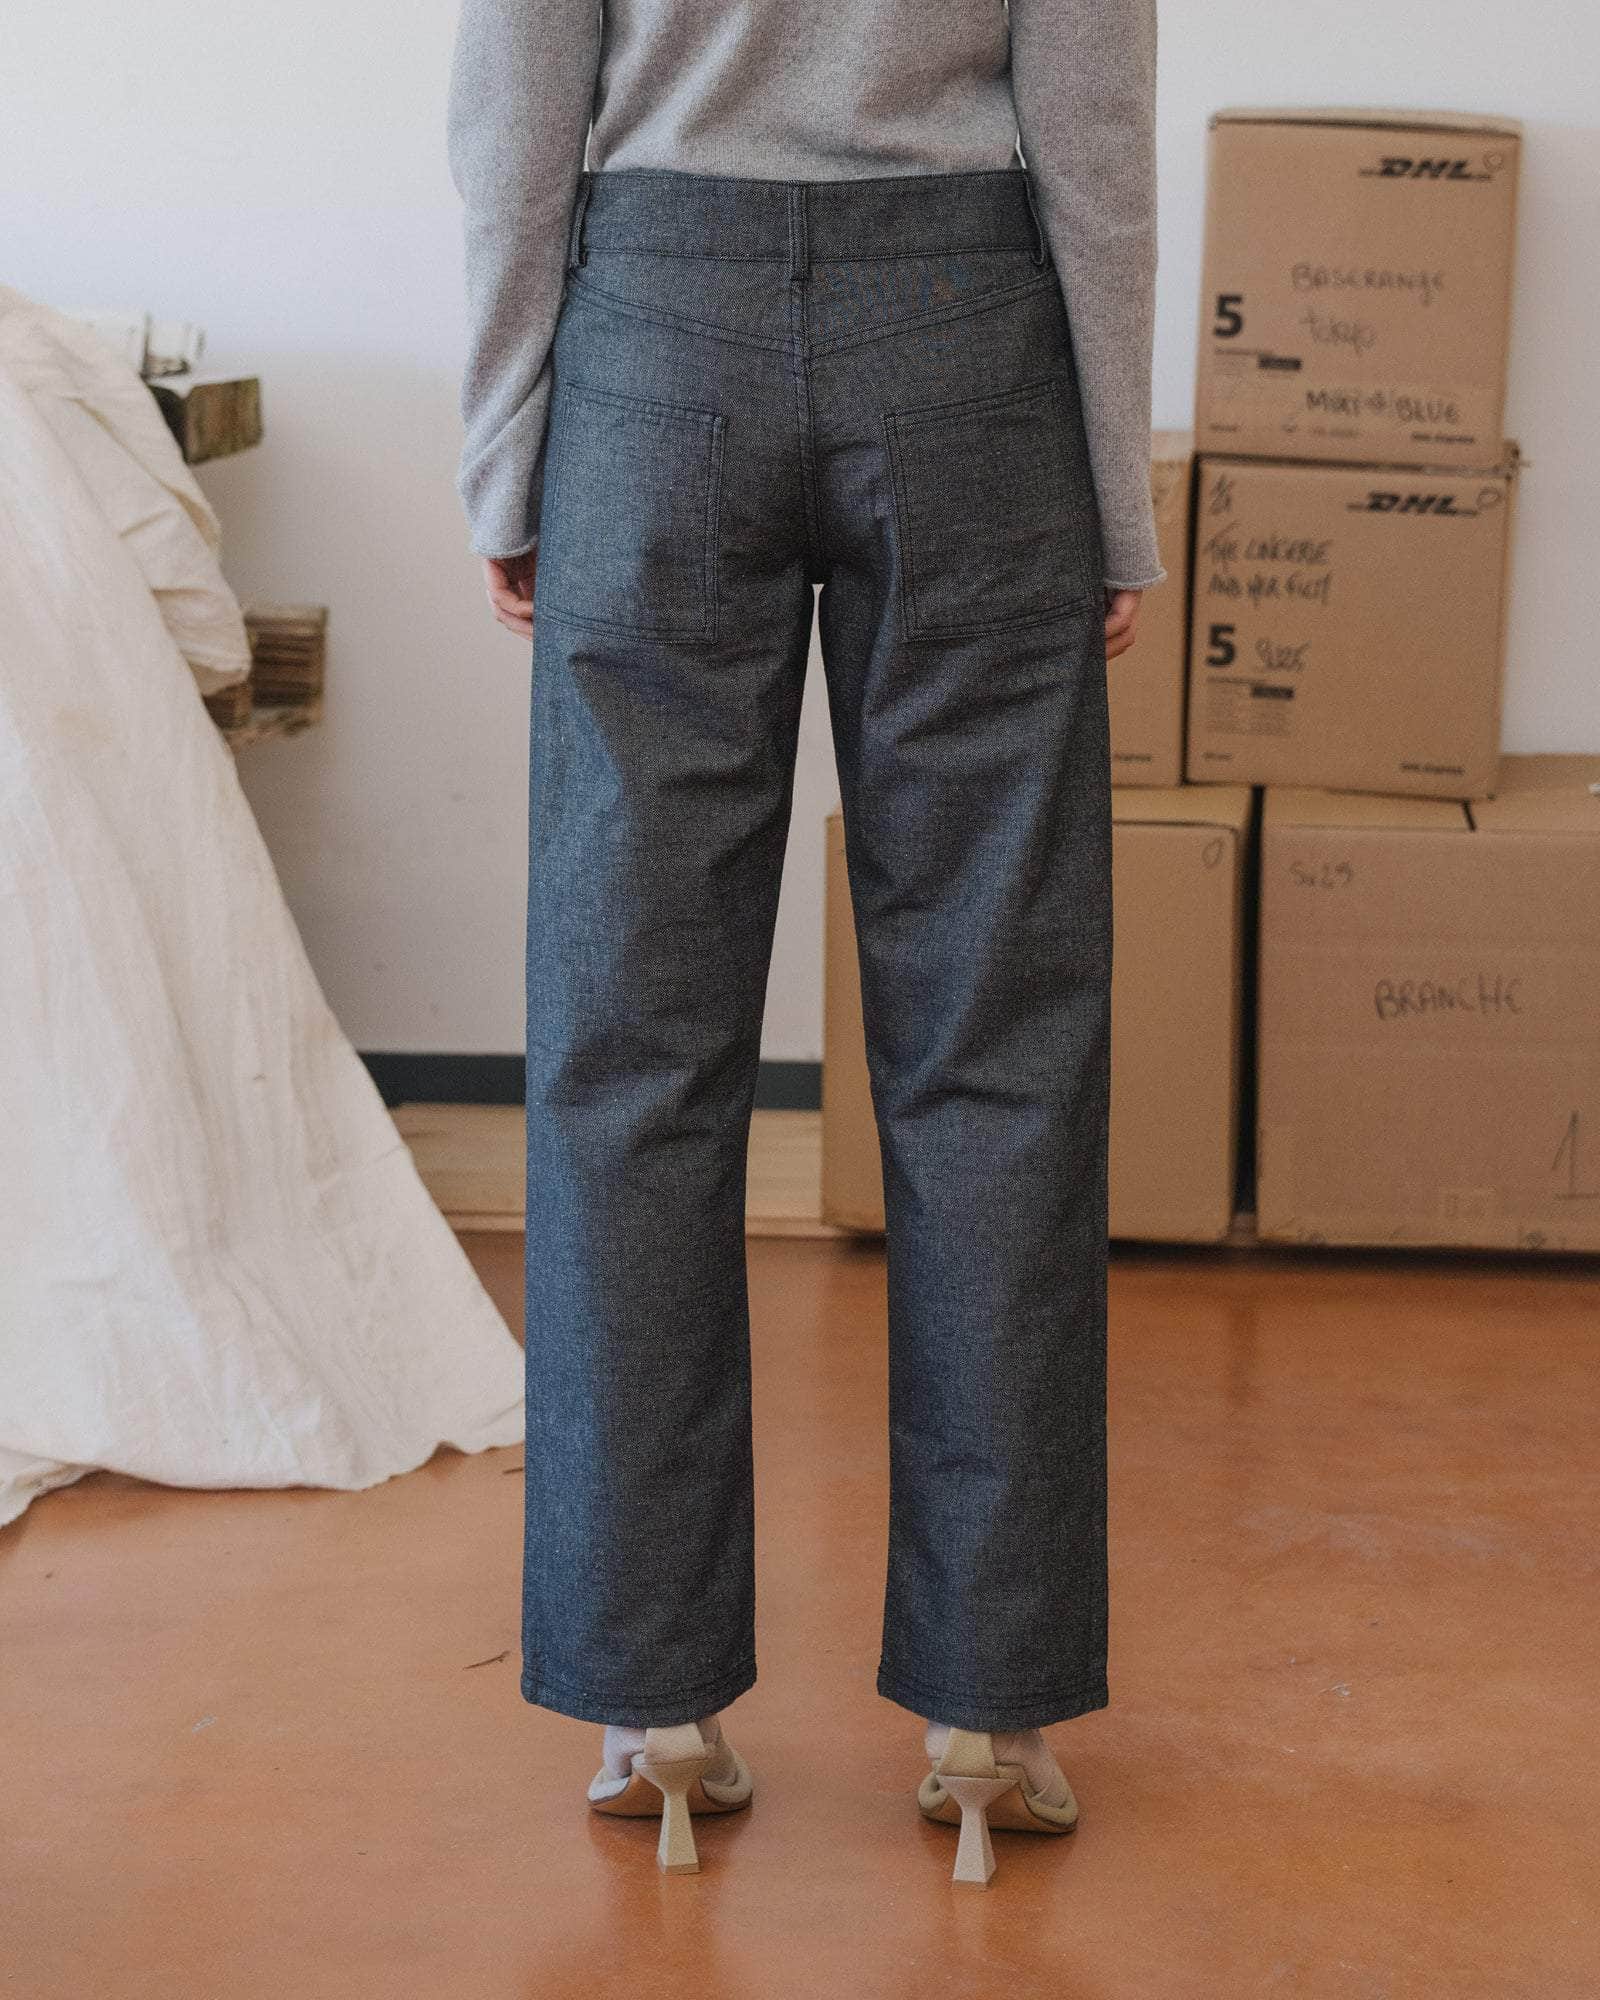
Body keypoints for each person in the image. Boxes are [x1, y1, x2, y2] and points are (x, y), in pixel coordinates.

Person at [447, 0, 1164, 1885]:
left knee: (630, 1048)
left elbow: (515, 123)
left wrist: (509, 451)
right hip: (973, 352)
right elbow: (1093, 143)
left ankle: (652, 1704)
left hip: (653, 341)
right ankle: (991, 1711)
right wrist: (1112, 491)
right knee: (996, 1043)